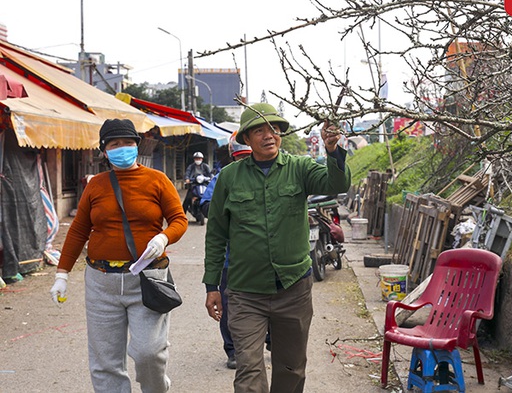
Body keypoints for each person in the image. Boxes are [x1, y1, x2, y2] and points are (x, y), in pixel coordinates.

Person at [203, 103, 351, 392]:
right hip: (245, 291)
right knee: (248, 370)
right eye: (259, 131)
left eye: (273, 129)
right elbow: (216, 234)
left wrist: (332, 151)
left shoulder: (300, 168)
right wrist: (212, 286)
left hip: (293, 289)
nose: (268, 135)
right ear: (247, 138)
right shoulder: (229, 178)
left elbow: (336, 183)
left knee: (291, 369)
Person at [50, 118, 188, 393]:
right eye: (115, 144)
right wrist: (62, 274)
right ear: (104, 151)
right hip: (101, 282)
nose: (122, 148)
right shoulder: (96, 185)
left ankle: (157, 388)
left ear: (136, 147)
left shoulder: (157, 180)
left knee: (150, 353)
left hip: (147, 278)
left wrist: (163, 237)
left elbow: (179, 220)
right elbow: (78, 231)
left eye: (128, 143)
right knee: (106, 362)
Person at [200, 131, 257, 370]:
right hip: (228, 260)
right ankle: (232, 350)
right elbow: (205, 206)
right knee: (228, 304)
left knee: (268, 301)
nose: (243, 162)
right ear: (234, 157)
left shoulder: (269, 178)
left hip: (259, 258)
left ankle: (268, 338)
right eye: (240, 157)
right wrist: (230, 208)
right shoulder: (223, 177)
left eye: (248, 157)